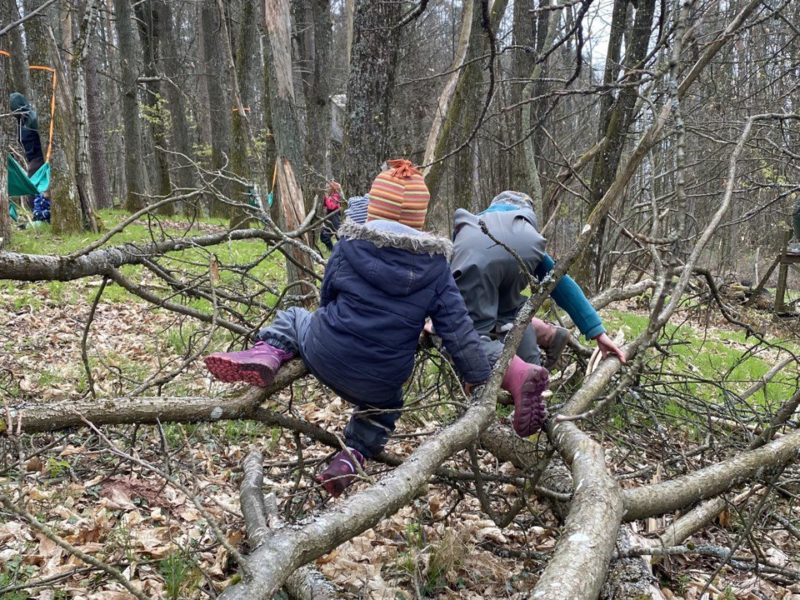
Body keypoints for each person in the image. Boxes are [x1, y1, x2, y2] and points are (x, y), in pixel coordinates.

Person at [204, 160, 491, 497]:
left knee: (296, 316)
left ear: (373, 208)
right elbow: (457, 329)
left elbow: (327, 297)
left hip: (325, 350)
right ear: (420, 219)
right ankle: (353, 455)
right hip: (379, 380)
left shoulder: (348, 245)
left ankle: (267, 352)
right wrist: (478, 375)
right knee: (385, 409)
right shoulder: (436, 268)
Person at [450, 191, 626, 431]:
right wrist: (597, 331)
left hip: (474, 249)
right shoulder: (523, 230)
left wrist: (437, 319)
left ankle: (516, 374)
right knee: (511, 315)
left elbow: (448, 279)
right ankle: (542, 350)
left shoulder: (475, 224)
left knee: (464, 333)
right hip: (525, 249)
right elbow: (561, 284)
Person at [319, 180, 343, 251]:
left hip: (335, 219)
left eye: (328, 187)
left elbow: (331, 206)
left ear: (333, 189)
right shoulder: (331, 196)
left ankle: (341, 251)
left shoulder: (336, 196)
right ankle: (333, 251)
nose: (326, 189)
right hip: (330, 219)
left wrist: (326, 197)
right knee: (324, 236)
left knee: (339, 236)